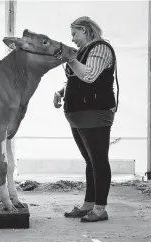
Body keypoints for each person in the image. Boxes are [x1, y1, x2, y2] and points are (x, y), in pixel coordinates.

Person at [53, 16, 119, 222]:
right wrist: (62, 90)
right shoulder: (83, 51)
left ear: (86, 30)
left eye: (75, 33)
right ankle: (89, 205)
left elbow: (90, 75)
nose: (72, 39)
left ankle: (100, 209)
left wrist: (70, 59)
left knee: (98, 161)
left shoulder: (100, 48)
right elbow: (79, 78)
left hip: (95, 113)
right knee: (90, 161)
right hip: (80, 115)